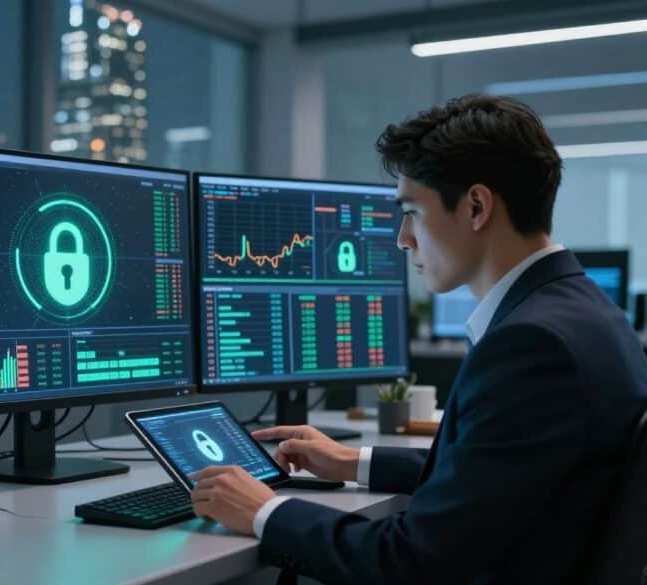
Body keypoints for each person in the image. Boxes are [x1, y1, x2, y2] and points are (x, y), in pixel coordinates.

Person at [189, 94, 647, 584]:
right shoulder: (588, 313)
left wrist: (265, 511)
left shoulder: (533, 344)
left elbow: (412, 562)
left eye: (412, 211)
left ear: (476, 206)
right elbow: (497, 474)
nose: (403, 238)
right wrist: (353, 460)